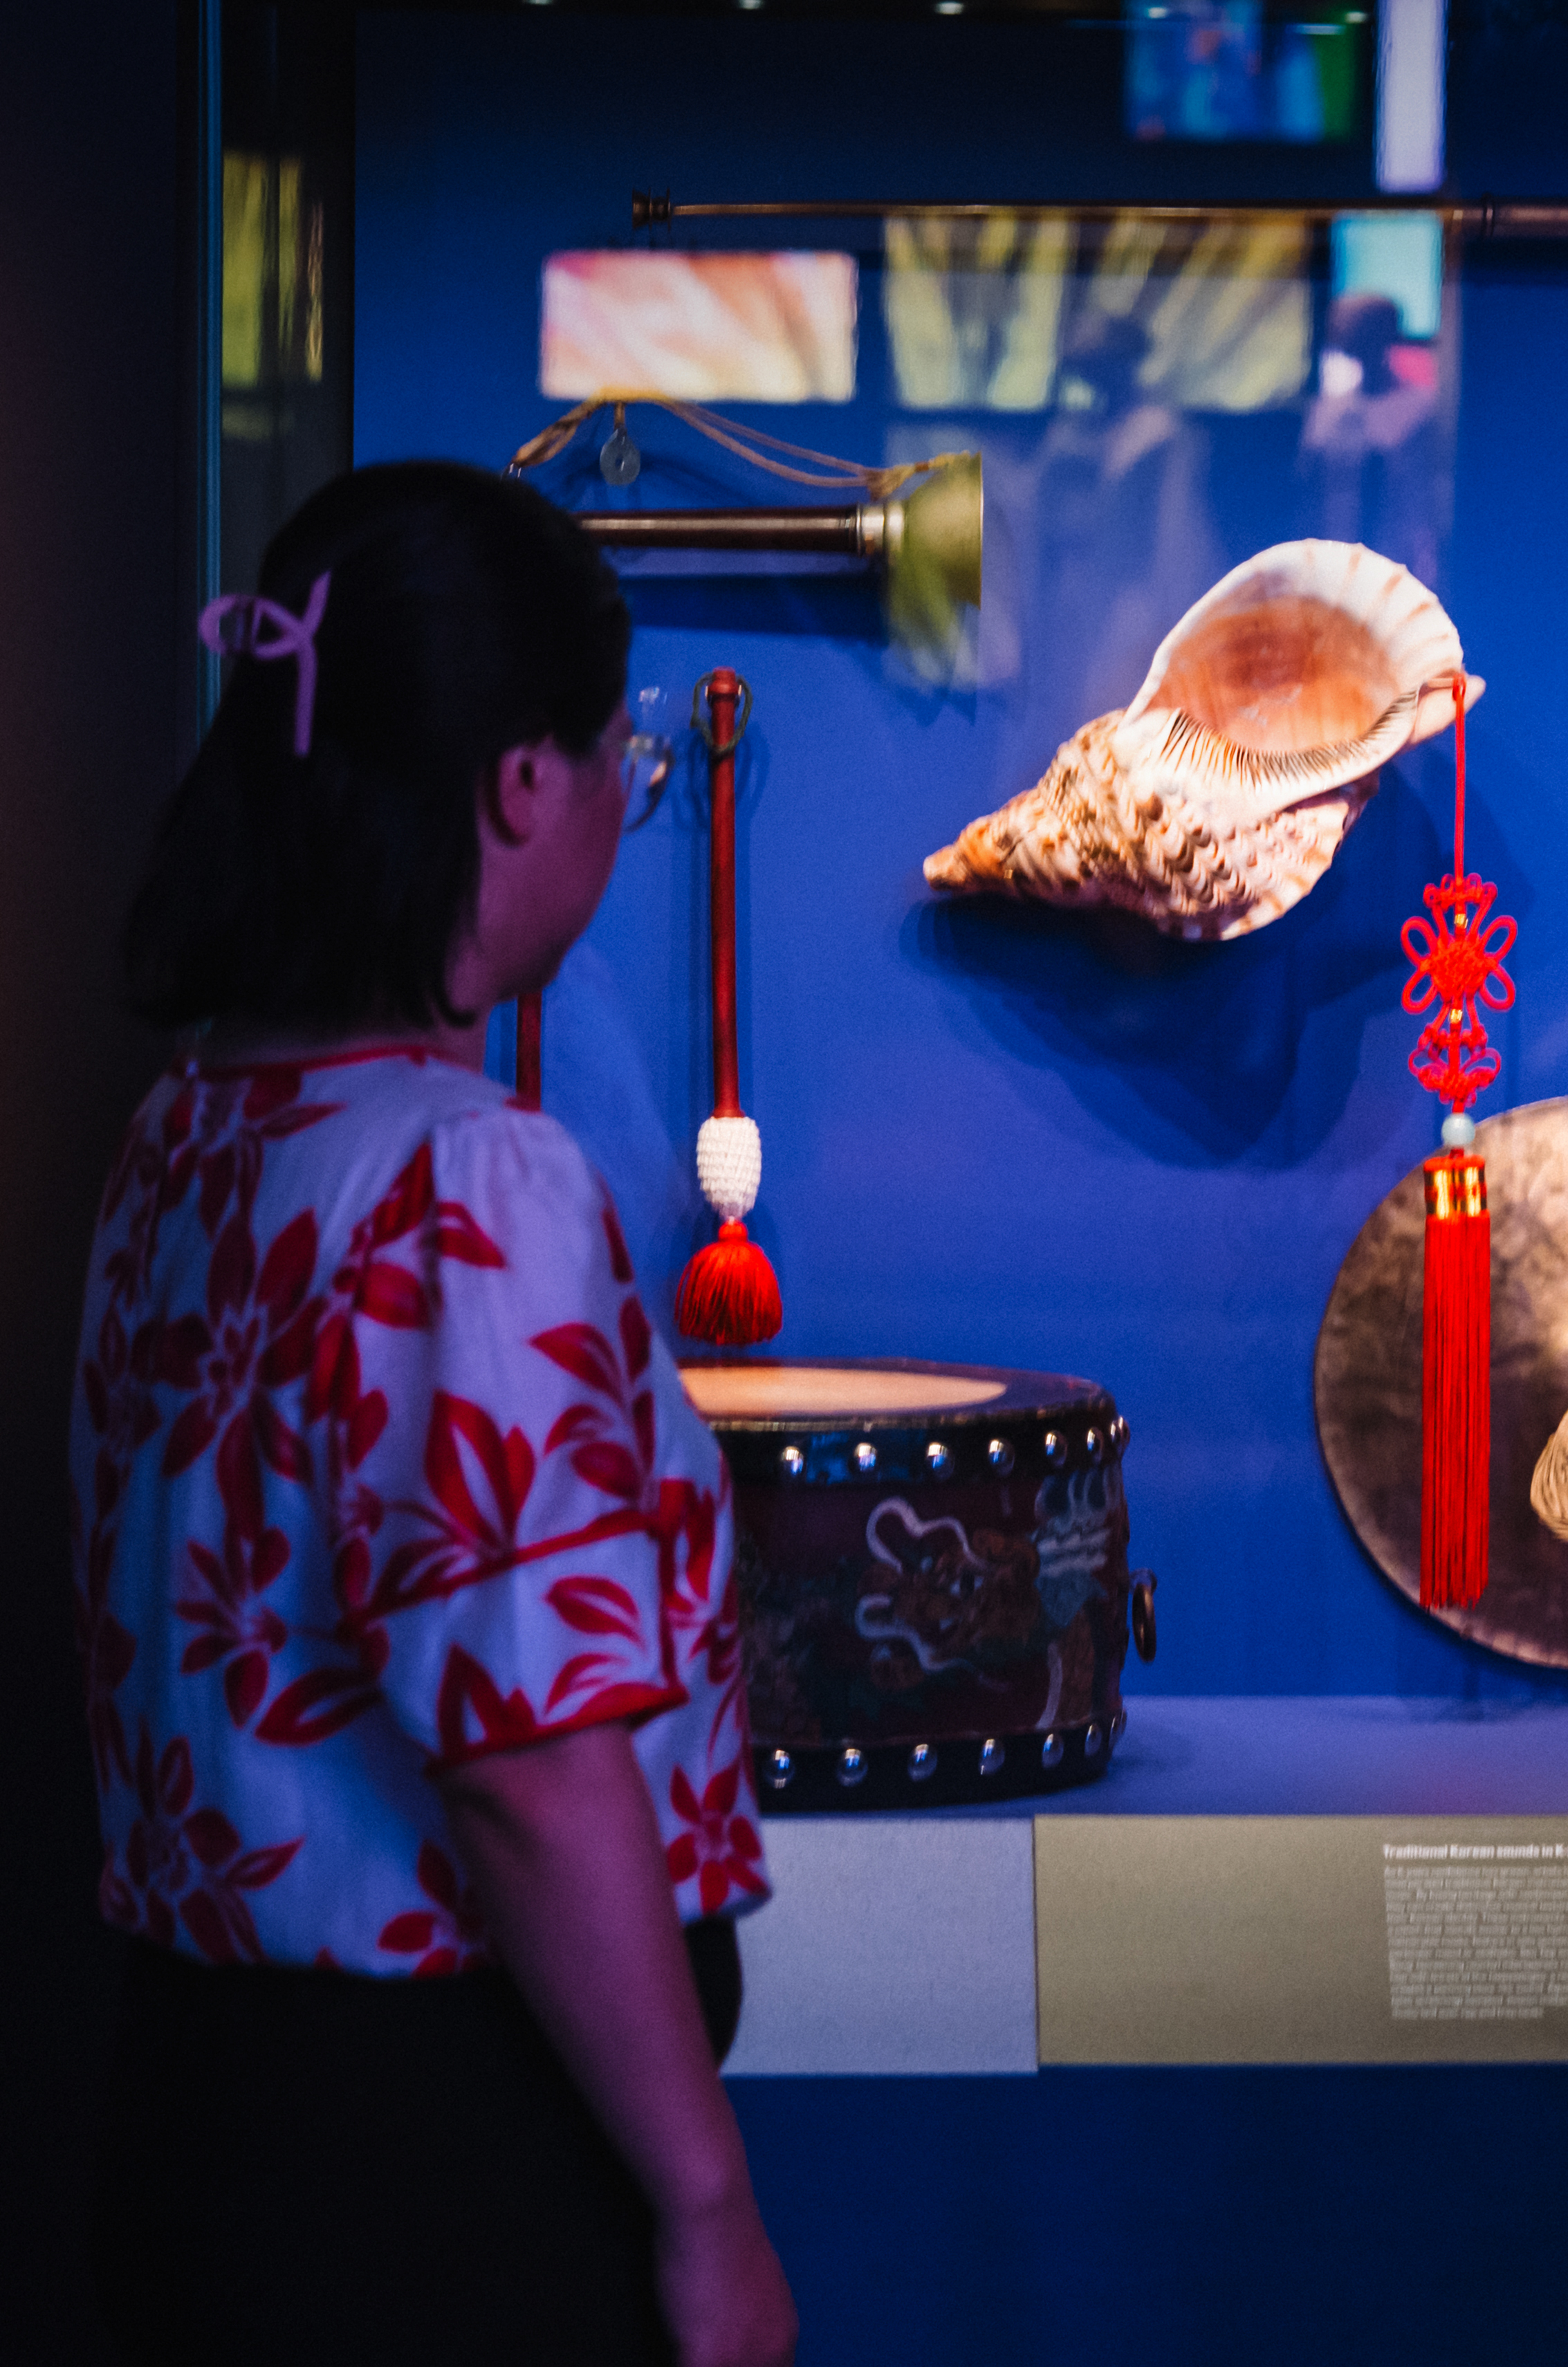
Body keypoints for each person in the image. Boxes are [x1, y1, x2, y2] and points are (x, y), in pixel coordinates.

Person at [75, 462, 797, 2366]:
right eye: (625, 769)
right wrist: (707, 2204)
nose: (625, 812)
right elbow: (523, 1757)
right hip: (444, 2161)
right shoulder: (469, 1178)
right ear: (523, 784)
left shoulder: (186, 1131)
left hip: (198, 2105)